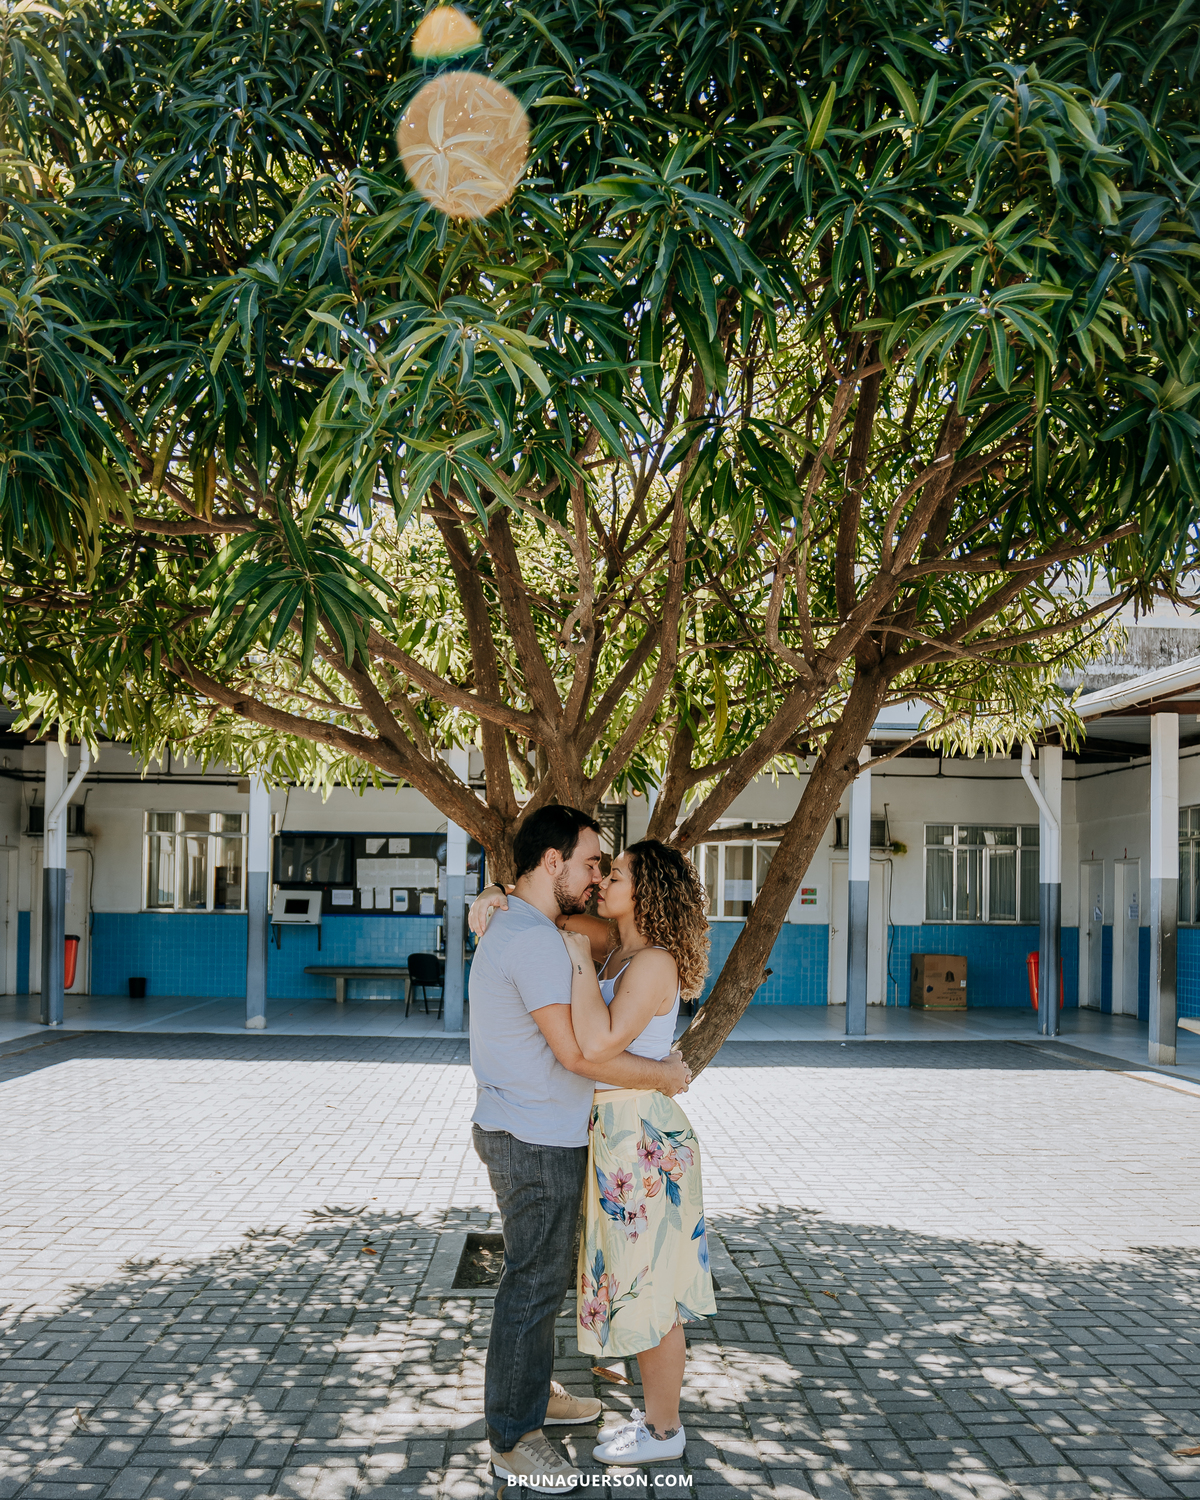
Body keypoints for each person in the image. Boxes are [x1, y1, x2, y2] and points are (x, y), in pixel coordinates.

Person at [468, 806, 692, 1494]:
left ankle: (533, 1397)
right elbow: (579, 1053)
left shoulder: (538, 927)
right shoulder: (534, 938)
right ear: (551, 863)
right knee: (533, 1287)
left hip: (548, 1132)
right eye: (593, 862)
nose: (597, 876)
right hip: (533, 1136)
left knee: (545, 1282)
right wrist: (667, 1077)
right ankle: (514, 1434)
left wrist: (490, 895)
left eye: (608, 868)